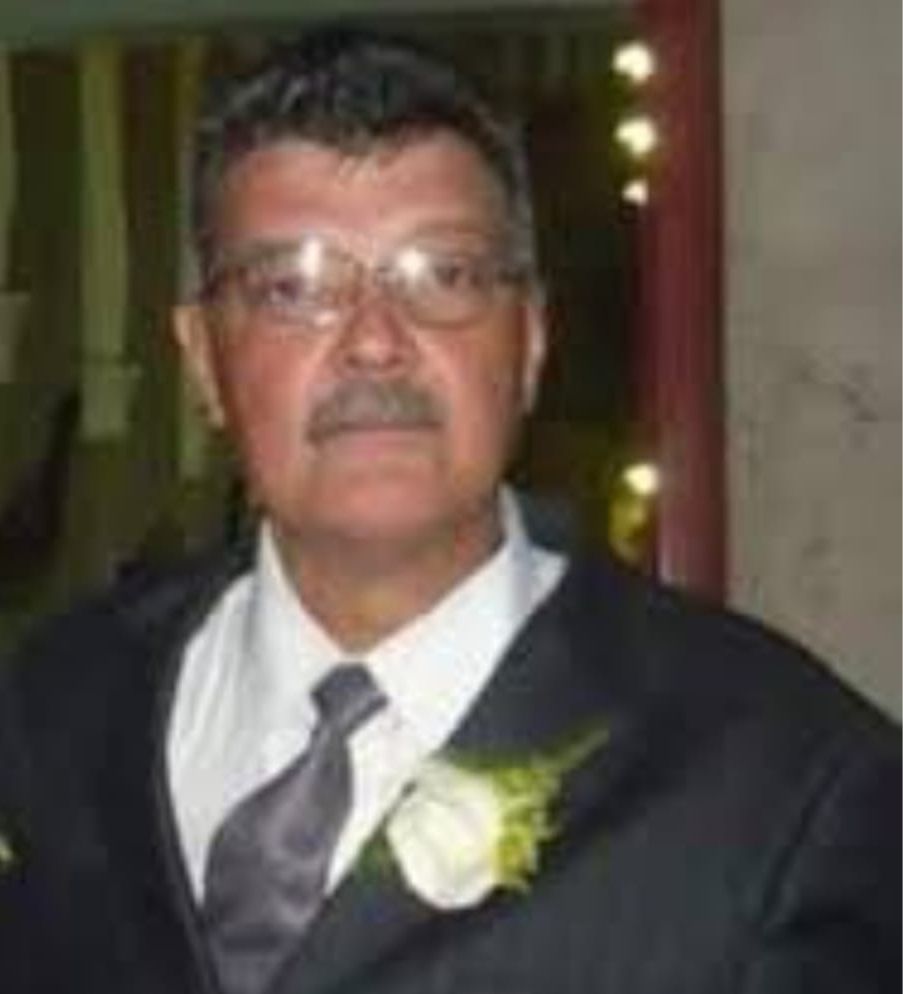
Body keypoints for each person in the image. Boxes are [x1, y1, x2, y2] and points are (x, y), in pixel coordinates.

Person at [0, 26, 898, 994]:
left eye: (446, 275)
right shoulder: (57, 706)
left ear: (531, 341)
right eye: (292, 286)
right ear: (203, 360)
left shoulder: (786, 777)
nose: (374, 343)